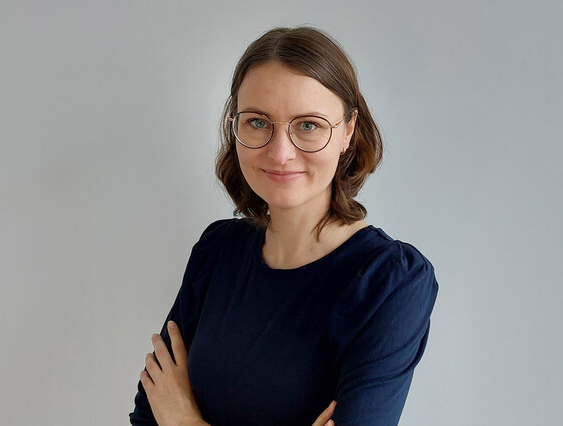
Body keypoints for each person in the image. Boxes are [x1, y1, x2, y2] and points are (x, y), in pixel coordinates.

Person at [129, 26, 438, 426]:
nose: (280, 152)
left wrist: (187, 421)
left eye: (308, 125)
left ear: (348, 130)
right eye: (258, 122)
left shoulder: (389, 282)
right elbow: (147, 417)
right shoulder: (217, 251)